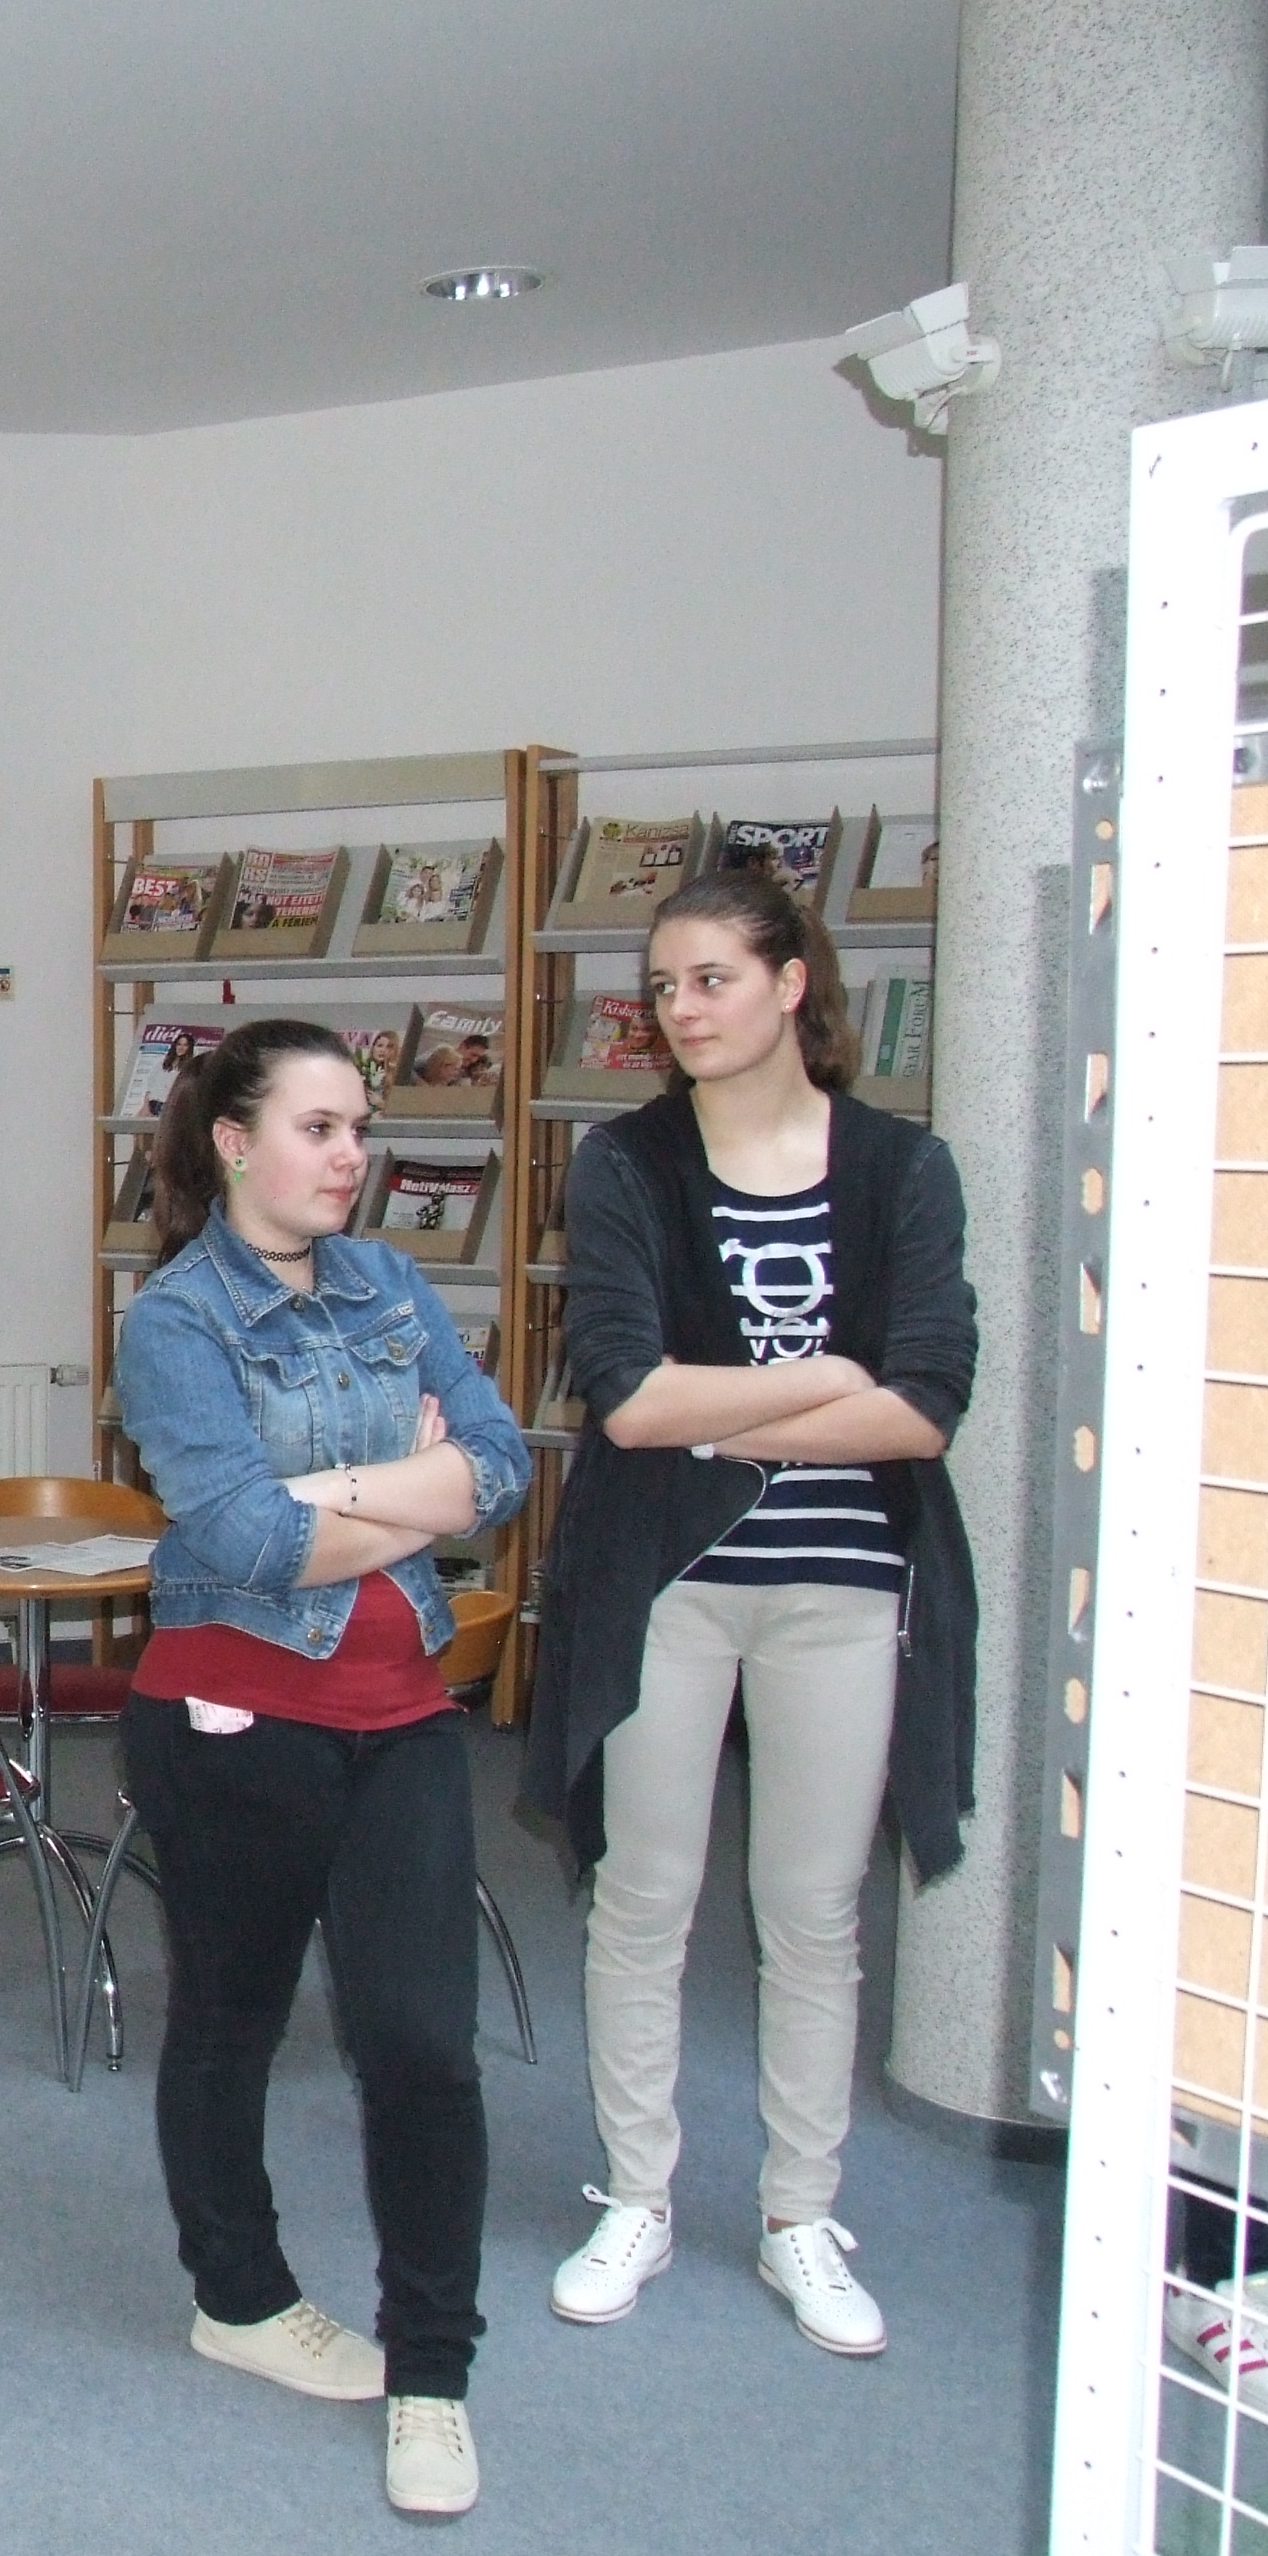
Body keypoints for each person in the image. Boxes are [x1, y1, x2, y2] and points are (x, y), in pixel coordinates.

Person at [524, 856, 977, 2361]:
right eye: (663, 986)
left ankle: (799, 2216)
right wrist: (826, 1377)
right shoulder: (624, 1165)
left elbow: (925, 1408)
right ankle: (638, 2197)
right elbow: (628, 1399)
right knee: (641, 1899)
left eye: (710, 979)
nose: (681, 1009)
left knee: (813, 1911)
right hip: (665, 1584)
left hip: (844, 1589)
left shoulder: (903, 1168)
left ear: (792, 985)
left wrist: (731, 1414)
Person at [113, 1016, 530, 2520]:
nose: (353, 1155)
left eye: (360, 1127)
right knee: (230, 2024)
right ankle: (238, 2298)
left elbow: (503, 1467)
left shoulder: (391, 1284)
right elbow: (241, 1539)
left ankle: (433, 2375)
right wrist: (418, 1493)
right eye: (320, 1128)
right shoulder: (175, 1322)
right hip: (232, 1720)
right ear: (235, 1143)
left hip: (400, 1716)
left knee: (422, 2048)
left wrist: (342, 1496)